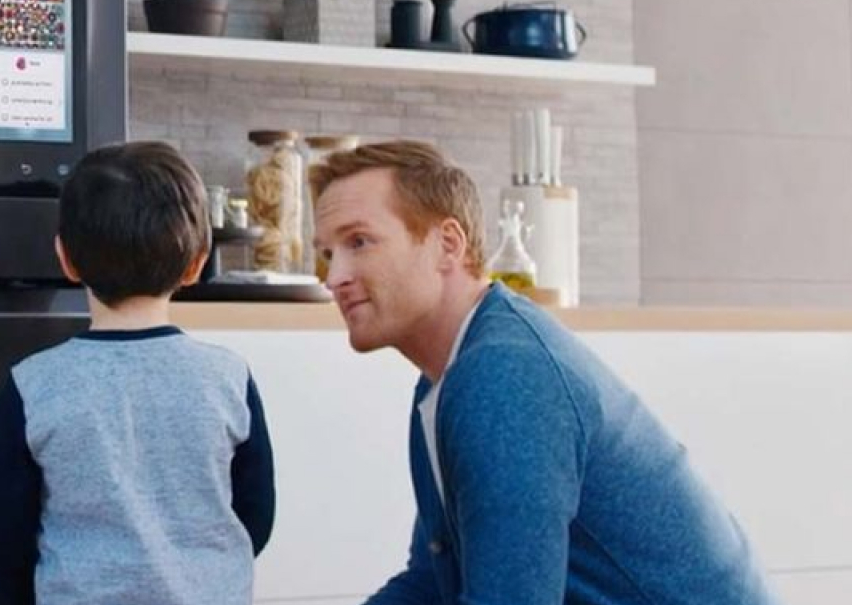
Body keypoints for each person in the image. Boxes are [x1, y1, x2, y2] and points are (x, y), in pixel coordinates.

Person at [309, 141, 777, 605]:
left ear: (447, 245)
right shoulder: (446, 377)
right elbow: (432, 581)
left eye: (359, 242)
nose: (334, 278)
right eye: (328, 254)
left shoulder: (504, 376)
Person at [0, 141, 276, 605]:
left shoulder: (33, 385)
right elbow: (256, 516)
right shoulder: (229, 377)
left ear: (66, 260)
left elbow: (1, 538)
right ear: (197, 263)